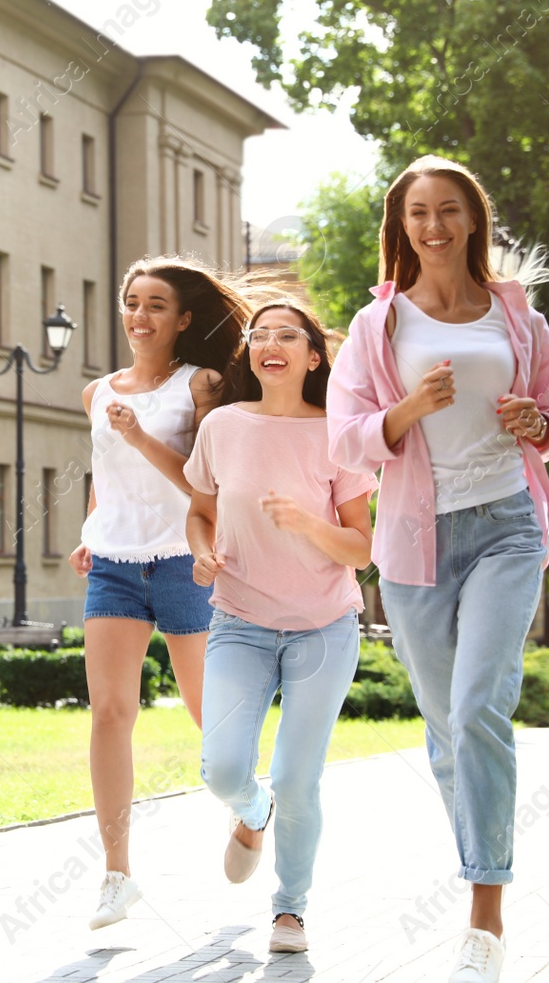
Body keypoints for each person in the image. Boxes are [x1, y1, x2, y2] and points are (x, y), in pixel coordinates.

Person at [328, 156, 549, 983]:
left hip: (506, 523)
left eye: (449, 211)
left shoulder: (516, 315)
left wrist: (536, 420)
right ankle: (481, 852)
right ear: (401, 228)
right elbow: (346, 434)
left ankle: (485, 910)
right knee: (444, 727)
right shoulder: (379, 325)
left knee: (475, 709)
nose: (433, 226)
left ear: (475, 219)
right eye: (418, 213)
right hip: (413, 540)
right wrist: (407, 410)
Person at [66, 255, 253, 929]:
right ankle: (117, 873)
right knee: (110, 713)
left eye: (155, 305)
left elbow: (202, 487)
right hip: (114, 563)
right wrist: (94, 526)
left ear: (184, 319)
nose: (139, 315)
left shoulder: (197, 384)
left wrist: (141, 435)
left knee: (208, 711)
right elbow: (104, 473)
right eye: (132, 302)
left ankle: (250, 803)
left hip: (182, 559)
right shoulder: (96, 392)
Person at [184, 300, 376, 956]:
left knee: (299, 774)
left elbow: (361, 547)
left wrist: (308, 524)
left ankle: (290, 908)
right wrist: (203, 551)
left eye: (286, 335)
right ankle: (252, 808)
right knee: (222, 766)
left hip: (324, 626)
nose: (270, 343)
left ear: (313, 355)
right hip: (239, 618)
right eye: (258, 334)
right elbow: (199, 513)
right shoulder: (223, 427)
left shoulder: (338, 435)